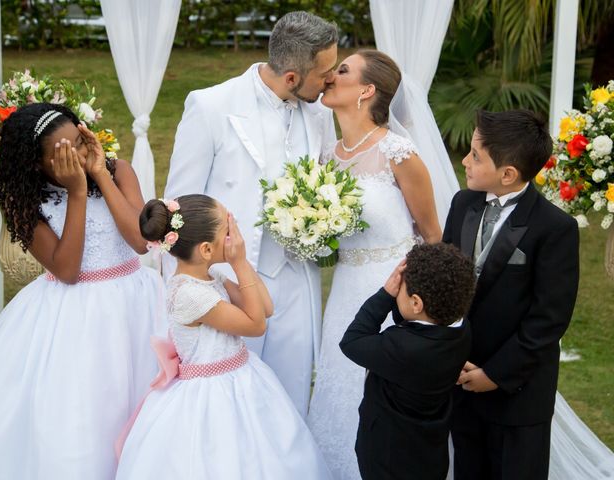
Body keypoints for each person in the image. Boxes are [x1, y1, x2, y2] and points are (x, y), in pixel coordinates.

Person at [0, 103, 163, 480]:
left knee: (146, 406)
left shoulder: (118, 171)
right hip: (75, 319)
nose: (76, 156)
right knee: (86, 416)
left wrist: (99, 176)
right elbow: (67, 270)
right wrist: (77, 193)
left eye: (79, 142)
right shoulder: (26, 204)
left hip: (137, 306)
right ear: (36, 165)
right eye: (62, 155)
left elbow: (142, 243)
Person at [163, 11, 338, 416]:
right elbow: (179, 206)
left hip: (297, 279)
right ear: (292, 77)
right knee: (231, 404)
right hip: (225, 284)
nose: (331, 80)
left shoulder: (321, 115)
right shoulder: (210, 106)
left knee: (290, 399)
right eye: (324, 73)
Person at [115, 194, 332, 479]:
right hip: (211, 396)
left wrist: (237, 265)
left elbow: (265, 309)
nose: (235, 235)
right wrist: (240, 262)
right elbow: (256, 325)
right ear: (206, 249)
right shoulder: (190, 295)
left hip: (243, 378)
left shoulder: (212, 274)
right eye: (228, 231)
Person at [306, 49, 443, 479]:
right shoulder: (327, 157)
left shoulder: (398, 152)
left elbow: (432, 235)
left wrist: (420, 310)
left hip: (396, 293)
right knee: (340, 383)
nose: (330, 76)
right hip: (347, 289)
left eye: (342, 70)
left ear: (367, 90)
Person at [442, 109, 580, 480]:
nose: (465, 162)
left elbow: (548, 319)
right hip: (462, 378)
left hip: (517, 393)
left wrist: (496, 374)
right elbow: (447, 282)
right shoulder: (463, 204)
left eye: (475, 155)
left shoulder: (555, 228)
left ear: (508, 174)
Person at [340, 243, 475, 480]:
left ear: (416, 303)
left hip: (388, 458)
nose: (395, 291)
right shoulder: (462, 330)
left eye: (399, 289)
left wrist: (384, 295)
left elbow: (352, 341)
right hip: (430, 452)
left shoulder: (402, 347)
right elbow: (410, 319)